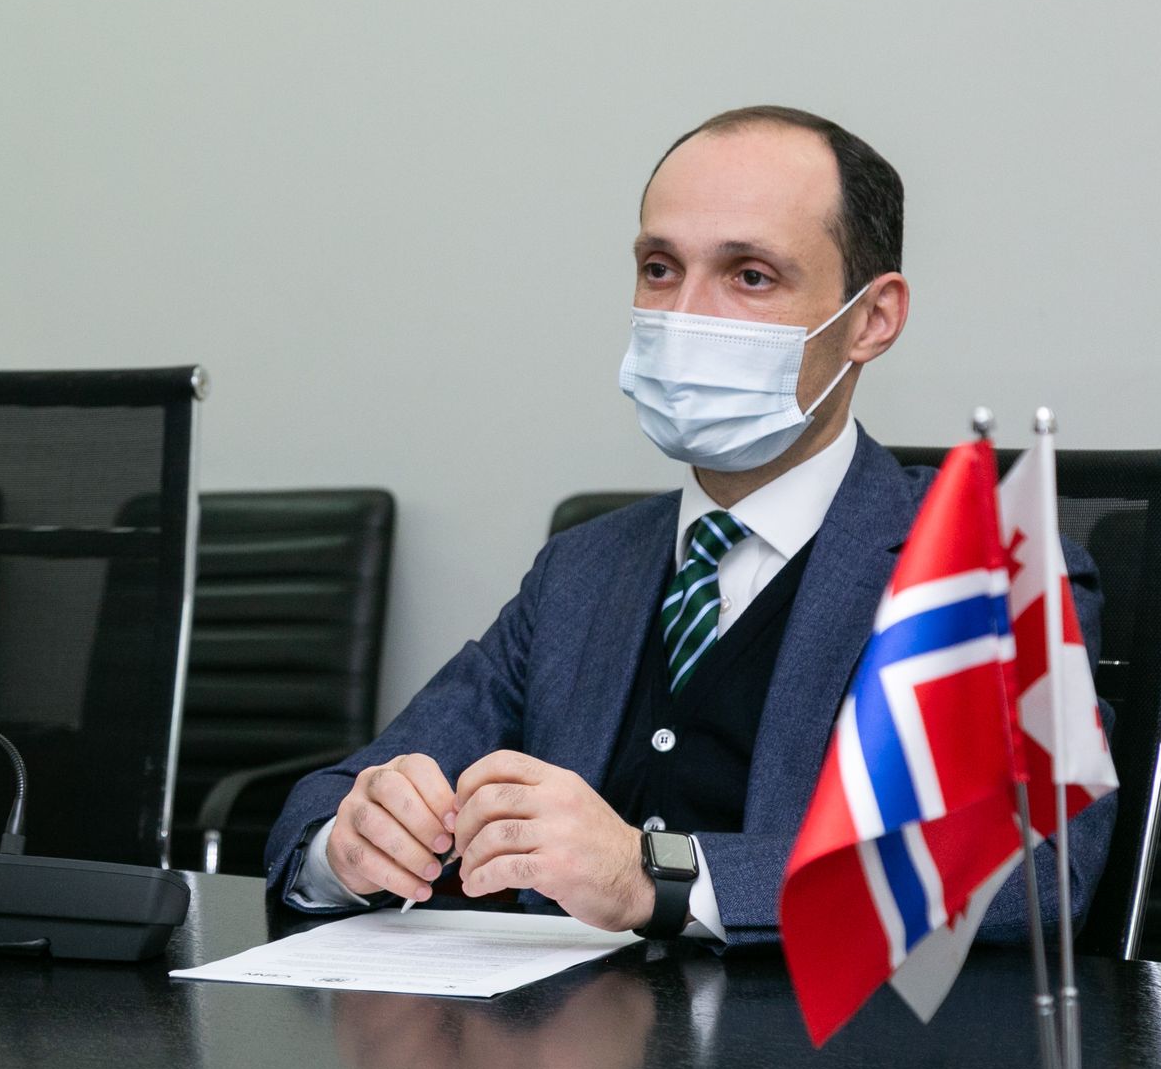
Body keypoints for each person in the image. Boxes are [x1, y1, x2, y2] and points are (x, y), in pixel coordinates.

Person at [266, 106, 1115, 945]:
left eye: (750, 275)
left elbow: (1028, 864)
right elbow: (329, 800)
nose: (685, 315)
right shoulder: (582, 569)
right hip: (555, 1032)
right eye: (660, 268)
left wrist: (655, 874)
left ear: (871, 318)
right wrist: (351, 843)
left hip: (813, 1036)